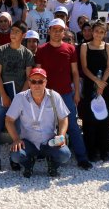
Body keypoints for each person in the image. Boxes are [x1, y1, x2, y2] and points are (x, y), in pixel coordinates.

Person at [36, 18, 93, 169]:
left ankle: (82, 157)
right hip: (46, 95)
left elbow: (75, 72)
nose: (57, 32)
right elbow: (38, 74)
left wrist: (76, 93)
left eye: (60, 30)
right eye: (54, 29)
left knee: (73, 126)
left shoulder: (71, 49)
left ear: (64, 32)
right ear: (49, 31)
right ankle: (45, 154)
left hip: (66, 94)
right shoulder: (41, 50)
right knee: (45, 125)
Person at [0, 21, 34, 172]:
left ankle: (15, 160)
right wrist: (3, 94)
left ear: (23, 35)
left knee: (17, 130)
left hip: (20, 97)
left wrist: (19, 99)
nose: (13, 33)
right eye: (12, 30)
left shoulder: (27, 54)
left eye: (17, 31)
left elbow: (29, 78)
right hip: (3, 96)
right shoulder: (1, 50)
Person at [6, 68, 71, 178]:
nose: (37, 85)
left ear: (45, 82)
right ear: (29, 82)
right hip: (28, 142)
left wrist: (61, 135)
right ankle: (28, 163)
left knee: (65, 155)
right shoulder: (20, 97)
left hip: (50, 141)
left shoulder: (54, 96)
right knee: (16, 156)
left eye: (40, 81)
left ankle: (53, 163)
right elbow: (9, 120)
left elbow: (63, 118)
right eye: (33, 81)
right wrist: (16, 139)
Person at [79, 20, 109, 162]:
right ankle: (91, 150)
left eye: (101, 32)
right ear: (92, 32)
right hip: (89, 85)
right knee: (89, 119)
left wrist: (102, 84)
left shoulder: (108, 46)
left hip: (103, 86)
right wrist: (96, 81)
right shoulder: (84, 46)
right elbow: (84, 68)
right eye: (96, 31)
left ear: (105, 34)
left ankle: (104, 150)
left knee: (104, 118)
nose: (98, 34)